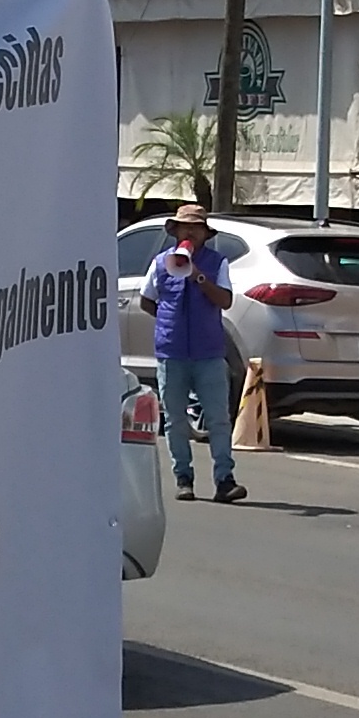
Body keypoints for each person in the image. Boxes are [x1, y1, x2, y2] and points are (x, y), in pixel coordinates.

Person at [136, 200, 243, 504]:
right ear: (176, 230)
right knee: (174, 420)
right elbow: (147, 300)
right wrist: (169, 322)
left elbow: (224, 301)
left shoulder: (217, 262)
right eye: (186, 227)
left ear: (204, 234)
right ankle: (184, 478)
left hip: (208, 352)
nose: (190, 233)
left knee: (218, 419)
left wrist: (197, 276)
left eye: (196, 228)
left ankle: (225, 479)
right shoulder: (160, 262)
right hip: (172, 353)